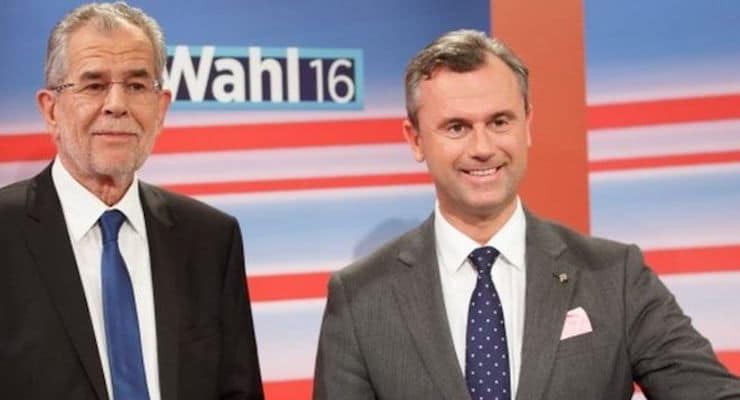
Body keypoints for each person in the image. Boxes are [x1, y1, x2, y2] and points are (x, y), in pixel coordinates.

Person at [313, 29, 740, 400]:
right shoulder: (359, 299)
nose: (483, 147)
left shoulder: (615, 276)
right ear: (416, 139)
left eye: (500, 121)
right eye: (457, 127)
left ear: (528, 124)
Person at [0, 3, 263, 399]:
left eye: (137, 86)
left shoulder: (210, 239)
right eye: (93, 85)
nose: (117, 104)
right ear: (50, 110)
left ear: (161, 109)